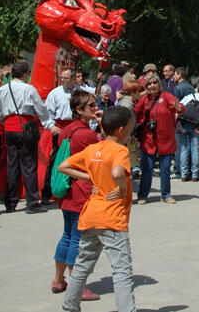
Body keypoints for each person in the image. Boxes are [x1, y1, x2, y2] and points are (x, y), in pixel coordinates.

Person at [58, 105, 138, 312]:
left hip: (91, 215)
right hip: (112, 218)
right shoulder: (120, 151)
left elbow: (64, 166)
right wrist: (121, 188)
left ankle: (70, 306)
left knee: (83, 265)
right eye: (129, 128)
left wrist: (90, 177)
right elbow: (118, 172)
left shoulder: (93, 148)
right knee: (121, 270)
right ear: (121, 130)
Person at [52, 91, 103, 299]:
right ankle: (77, 286)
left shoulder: (67, 130)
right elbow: (100, 157)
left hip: (66, 189)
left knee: (67, 235)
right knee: (78, 239)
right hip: (81, 189)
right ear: (79, 110)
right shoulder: (87, 135)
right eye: (90, 106)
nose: (94, 108)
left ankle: (58, 280)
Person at [0, 60, 51, 213]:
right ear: (25, 73)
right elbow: (41, 109)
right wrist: (47, 123)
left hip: (9, 128)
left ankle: (11, 202)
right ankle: (32, 202)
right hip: (25, 128)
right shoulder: (29, 89)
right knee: (29, 165)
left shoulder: (3, 90)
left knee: (12, 165)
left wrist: (6, 120)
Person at [134, 73, 181, 204]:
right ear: (146, 86)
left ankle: (166, 194)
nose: (152, 85)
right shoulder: (144, 99)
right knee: (147, 168)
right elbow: (136, 111)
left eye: (155, 82)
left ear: (159, 84)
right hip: (149, 139)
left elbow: (179, 106)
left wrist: (178, 107)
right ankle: (143, 195)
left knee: (165, 168)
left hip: (166, 139)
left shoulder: (166, 96)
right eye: (149, 83)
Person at [43, 68, 79, 204]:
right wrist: (51, 126)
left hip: (76, 128)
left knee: (76, 160)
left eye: (66, 78)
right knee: (55, 160)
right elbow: (47, 113)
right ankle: (47, 192)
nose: (62, 80)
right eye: (62, 77)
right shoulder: (55, 93)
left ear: (73, 78)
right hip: (61, 129)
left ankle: (73, 190)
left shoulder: (80, 92)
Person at [176, 76, 199, 182]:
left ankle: (183, 174)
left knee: (184, 149)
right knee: (195, 149)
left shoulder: (188, 96)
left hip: (185, 124)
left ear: (197, 87)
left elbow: (180, 108)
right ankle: (195, 174)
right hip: (197, 126)